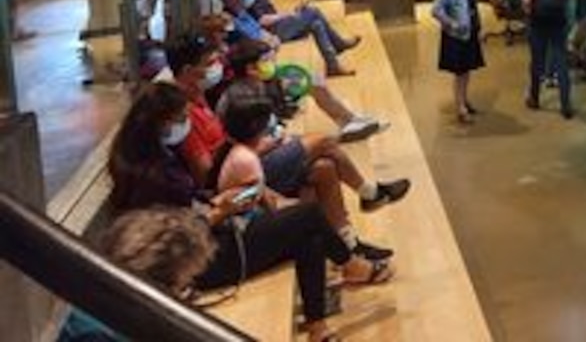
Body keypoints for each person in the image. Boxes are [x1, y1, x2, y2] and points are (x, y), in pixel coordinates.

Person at [108, 83, 393, 342]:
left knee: (310, 234)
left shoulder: (151, 155)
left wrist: (218, 201)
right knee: (308, 216)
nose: (187, 124)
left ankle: (318, 327)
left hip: (207, 233)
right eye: (182, 118)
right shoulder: (151, 175)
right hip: (198, 259)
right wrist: (222, 211)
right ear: (161, 122)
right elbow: (177, 232)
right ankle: (350, 264)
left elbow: (189, 206)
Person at [216, 38, 410, 256]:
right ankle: (369, 192)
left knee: (324, 168)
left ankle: (349, 244)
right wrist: (275, 142)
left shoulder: (262, 86)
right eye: (266, 60)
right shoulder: (237, 99)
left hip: (271, 151)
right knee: (325, 141)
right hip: (255, 165)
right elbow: (239, 148)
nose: (272, 62)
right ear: (251, 68)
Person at [217, 0, 385, 141]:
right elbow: (257, 47)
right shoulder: (230, 25)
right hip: (262, 79)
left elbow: (266, 37)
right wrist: (269, 45)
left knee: (315, 80)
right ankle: (347, 119)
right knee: (312, 16)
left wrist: (270, 43)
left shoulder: (243, 13)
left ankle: (349, 120)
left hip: (269, 69)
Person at [58, 207, 218, 341]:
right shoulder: (100, 335)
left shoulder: (95, 307)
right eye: (184, 286)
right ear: (162, 288)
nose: (187, 296)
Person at [243, 0, 361, 76]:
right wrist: (287, 15)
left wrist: (292, 13)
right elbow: (261, 20)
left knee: (316, 24)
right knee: (313, 11)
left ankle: (332, 65)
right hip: (272, 32)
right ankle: (339, 44)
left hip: (277, 26)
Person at [519, 0, 576, 118]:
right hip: (558, 20)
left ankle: (534, 98)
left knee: (537, 61)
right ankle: (566, 104)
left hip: (537, 22)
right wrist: (567, 13)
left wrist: (529, 16)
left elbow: (527, 0)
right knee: (561, 62)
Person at [431, 0, 485, 124]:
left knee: (466, 71)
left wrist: (478, 28)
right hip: (456, 38)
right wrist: (452, 24)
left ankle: (464, 99)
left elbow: (471, 9)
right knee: (460, 73)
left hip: (468, 36)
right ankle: (460, 107)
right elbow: (435, 11)